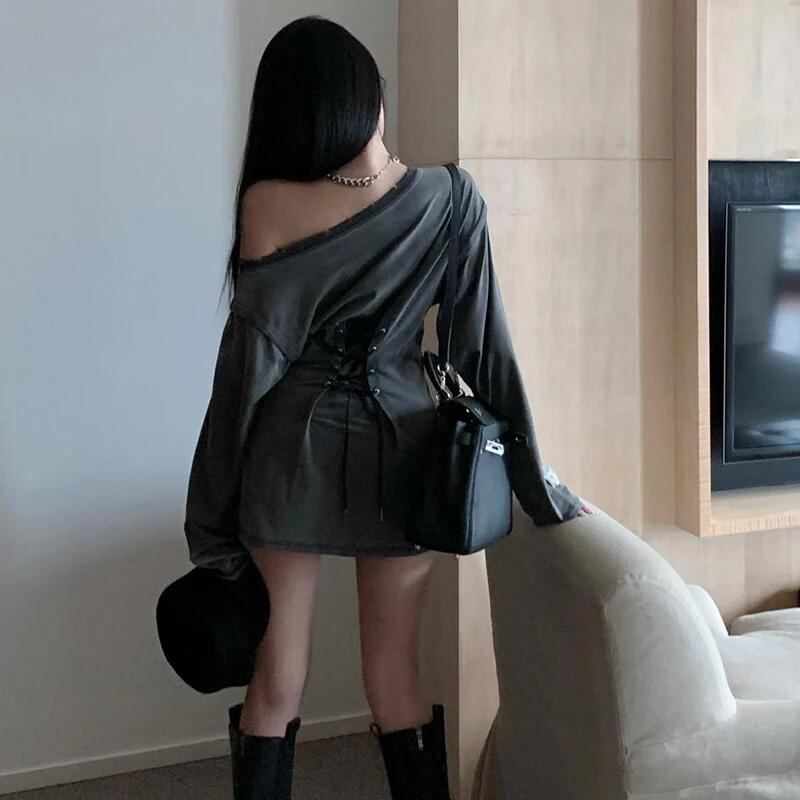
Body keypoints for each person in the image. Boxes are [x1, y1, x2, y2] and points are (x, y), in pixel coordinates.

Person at [182, 14, 592, 800]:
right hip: (409, 456)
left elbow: (244, 377)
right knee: (395, 682)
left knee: (275, 685)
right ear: (368, 98)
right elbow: (484, 354)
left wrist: (209, 520)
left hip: (288, 458)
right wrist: (539, 485)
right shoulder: (451, 199)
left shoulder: (268, 203)